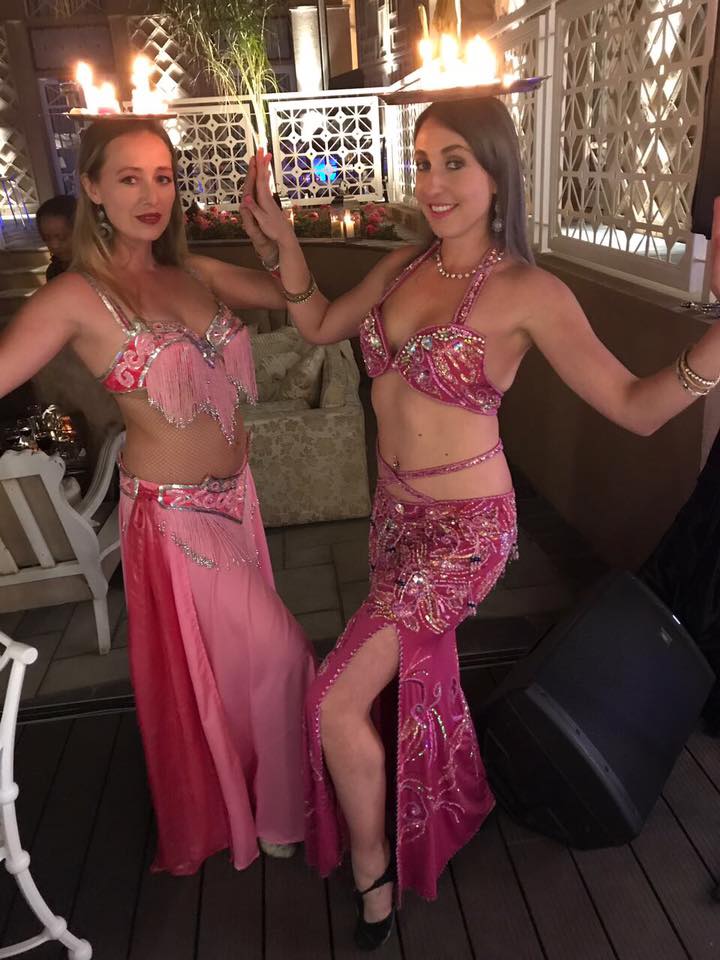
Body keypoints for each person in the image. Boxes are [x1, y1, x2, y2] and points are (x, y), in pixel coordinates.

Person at [241, 98, 720, 949]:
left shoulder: (528, 292)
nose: (433, 182)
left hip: (465, 533)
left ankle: (374, 874)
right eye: (423, 162)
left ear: (498, 172)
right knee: (413, 675)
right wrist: (284, 249)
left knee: (334, 700)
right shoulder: (402, 265)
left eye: (455, 161)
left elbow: (636, 407)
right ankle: (449, 799)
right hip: (394, 517)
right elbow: (315, 324)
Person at [0, 117, 315, 875]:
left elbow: (299, 300)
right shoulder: (76, 297)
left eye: (163, 177)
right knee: (280, 656)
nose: (152, 195)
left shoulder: (191, 271)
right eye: (130, 178)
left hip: (238, 500)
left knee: (240, 662)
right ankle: (279, 809)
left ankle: (256, 790)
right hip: (175, 518)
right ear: (94, 190)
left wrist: (276, 237)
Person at [36, 194, 77, 281]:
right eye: (46, 238)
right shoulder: (53, 271)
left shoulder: (100, 268)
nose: (54, 245)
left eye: (62, 237)